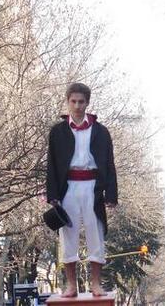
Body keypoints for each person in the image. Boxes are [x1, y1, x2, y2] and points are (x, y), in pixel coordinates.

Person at [46, 83, 118, 297]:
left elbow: (109, 163)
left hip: (93, 188)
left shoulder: (101, 131)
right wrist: (52, 195)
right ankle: (71, 285)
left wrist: (111, 194)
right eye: (73, 101)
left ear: (87, 103)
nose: (77, 106)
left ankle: (96, 283)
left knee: (95, 232)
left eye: (81, 102)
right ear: (67, 102)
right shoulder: (57, 132)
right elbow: (51, 164)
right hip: (68, 187)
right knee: (68, 235)